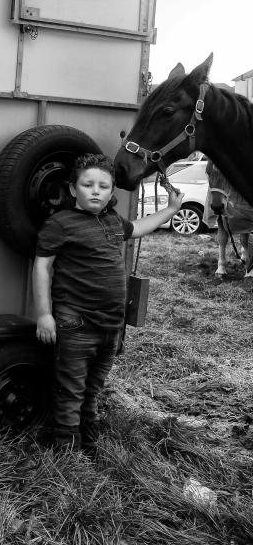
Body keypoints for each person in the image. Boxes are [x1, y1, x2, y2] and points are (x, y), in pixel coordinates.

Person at [33, 154, 183, 452]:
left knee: (94, 387)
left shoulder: (113, 220)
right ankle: (66, 449)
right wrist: (43, 315)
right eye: (87, 184)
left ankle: (88, 438)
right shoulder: (61, 224)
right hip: (76, 322)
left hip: (111, 324)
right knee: (71, 389)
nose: (96, 191)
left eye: (104, 186)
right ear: (74, 190)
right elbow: (41, 267)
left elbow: (139, 228)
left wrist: (171, 209)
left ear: (112, 192)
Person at [203, 161, 253, 279]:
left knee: (247, 232)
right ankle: (221, 262)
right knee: (221, 227)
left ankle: (248, 258)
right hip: (222, 191)